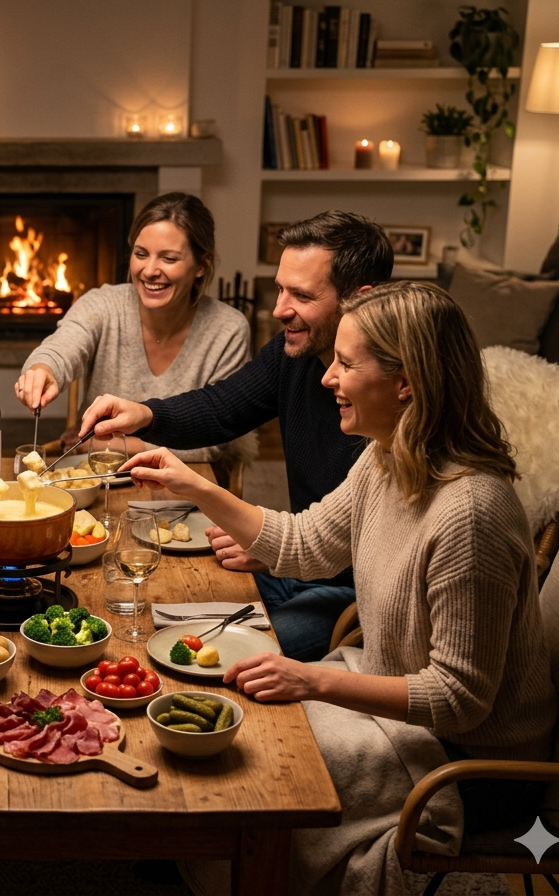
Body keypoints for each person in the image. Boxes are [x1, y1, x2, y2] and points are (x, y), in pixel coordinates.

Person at [125, 282, 556, 887]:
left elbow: (460, 699)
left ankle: (234, 870)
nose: (327, 377)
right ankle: (203, 860)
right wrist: (193, 485)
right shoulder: (387, 458)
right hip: (396, 704)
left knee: (256, 763)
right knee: (239, 725)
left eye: (346, 364)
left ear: (405, 382)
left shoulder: (470, 513)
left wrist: (312, 679)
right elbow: (305, 544)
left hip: (473, 765)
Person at [81, 210, 393, 661]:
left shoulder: (389, 400)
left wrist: (278, 550)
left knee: (201, 651)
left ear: (360, 300)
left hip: (352, 595)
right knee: (156, 609)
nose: (279, 309)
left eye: (302, 295)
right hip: (297, 559)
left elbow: (387, 554)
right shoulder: (296, 351)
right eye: (281, 289)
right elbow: (224, 406)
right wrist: (145, 413)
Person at [14, 192, 250, 461]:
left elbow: (218, 440)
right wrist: (43, 369)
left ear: (201, 265)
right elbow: (62, 347)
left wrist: (116, 446)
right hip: (98, 476)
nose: (149, 271)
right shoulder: (102, 304)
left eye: (169, 258)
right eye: (141, 254)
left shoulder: (228, 329)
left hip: (185, 481)